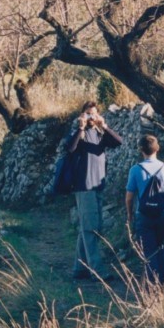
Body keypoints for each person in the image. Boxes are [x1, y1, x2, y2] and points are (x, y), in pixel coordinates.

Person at [67, 100, 123, 280]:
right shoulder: (78, 133)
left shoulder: (99, 133)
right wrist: (81, 128)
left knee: (91, 226)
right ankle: (98, 271)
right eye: (88, 114)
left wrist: (104, 126)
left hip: (98, 186)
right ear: (82, 115)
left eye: (94, 114)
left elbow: (118, 142)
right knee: (90, 228)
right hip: (84, 187)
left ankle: (79, 268)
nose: (91, 117)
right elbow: (70, 148)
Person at [125, 134, 164, 282]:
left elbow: (129, 197)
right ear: (158, 148)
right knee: (160, 248)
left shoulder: (135, 170)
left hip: (144, 215)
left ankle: (152, 288)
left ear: (141, 150)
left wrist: (130, 215)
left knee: (148, 252)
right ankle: (163, 284)